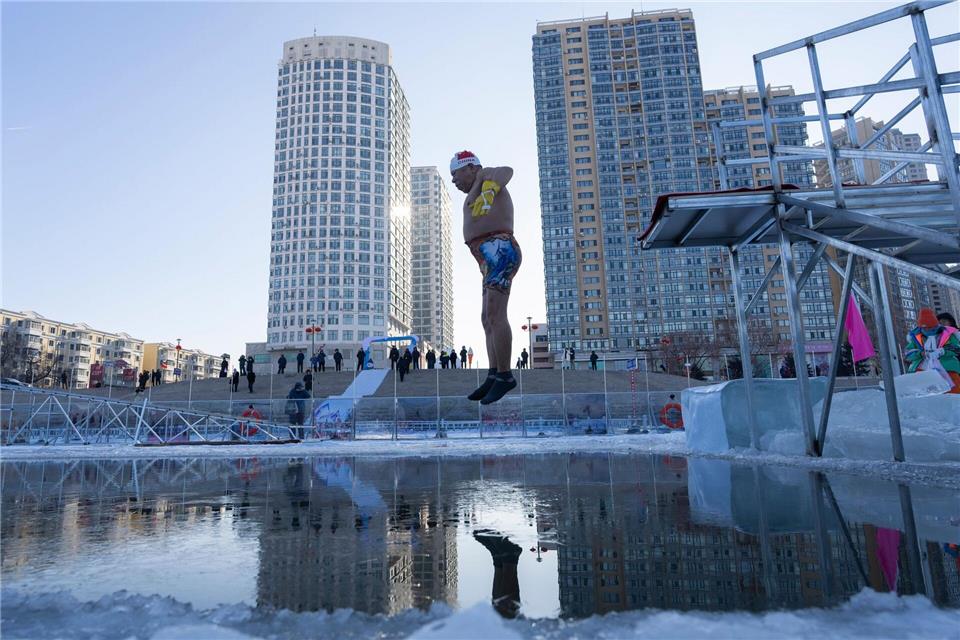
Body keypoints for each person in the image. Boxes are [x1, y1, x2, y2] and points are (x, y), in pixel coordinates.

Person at [453, 151, 521, 405]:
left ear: (470, 168)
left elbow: (507, 170)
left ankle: (505, 375)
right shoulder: (476, 185)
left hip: (499, 249)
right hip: (487, 257)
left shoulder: (485, 175)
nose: (453, 180)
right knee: (486, 317)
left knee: (495, 314)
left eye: (455, 174)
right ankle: (494, 373)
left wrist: (490, 190)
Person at [904, 307, 960, 393]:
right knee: (921, 394)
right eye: (925, 328)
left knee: (953, 393)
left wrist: (942, 351)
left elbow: (956, 348)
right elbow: (908, 353)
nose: (929, 330)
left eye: (931, 328)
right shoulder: (915, 337)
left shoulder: (948, 334)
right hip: (922, 370)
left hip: (947, 369)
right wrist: (920, 354)